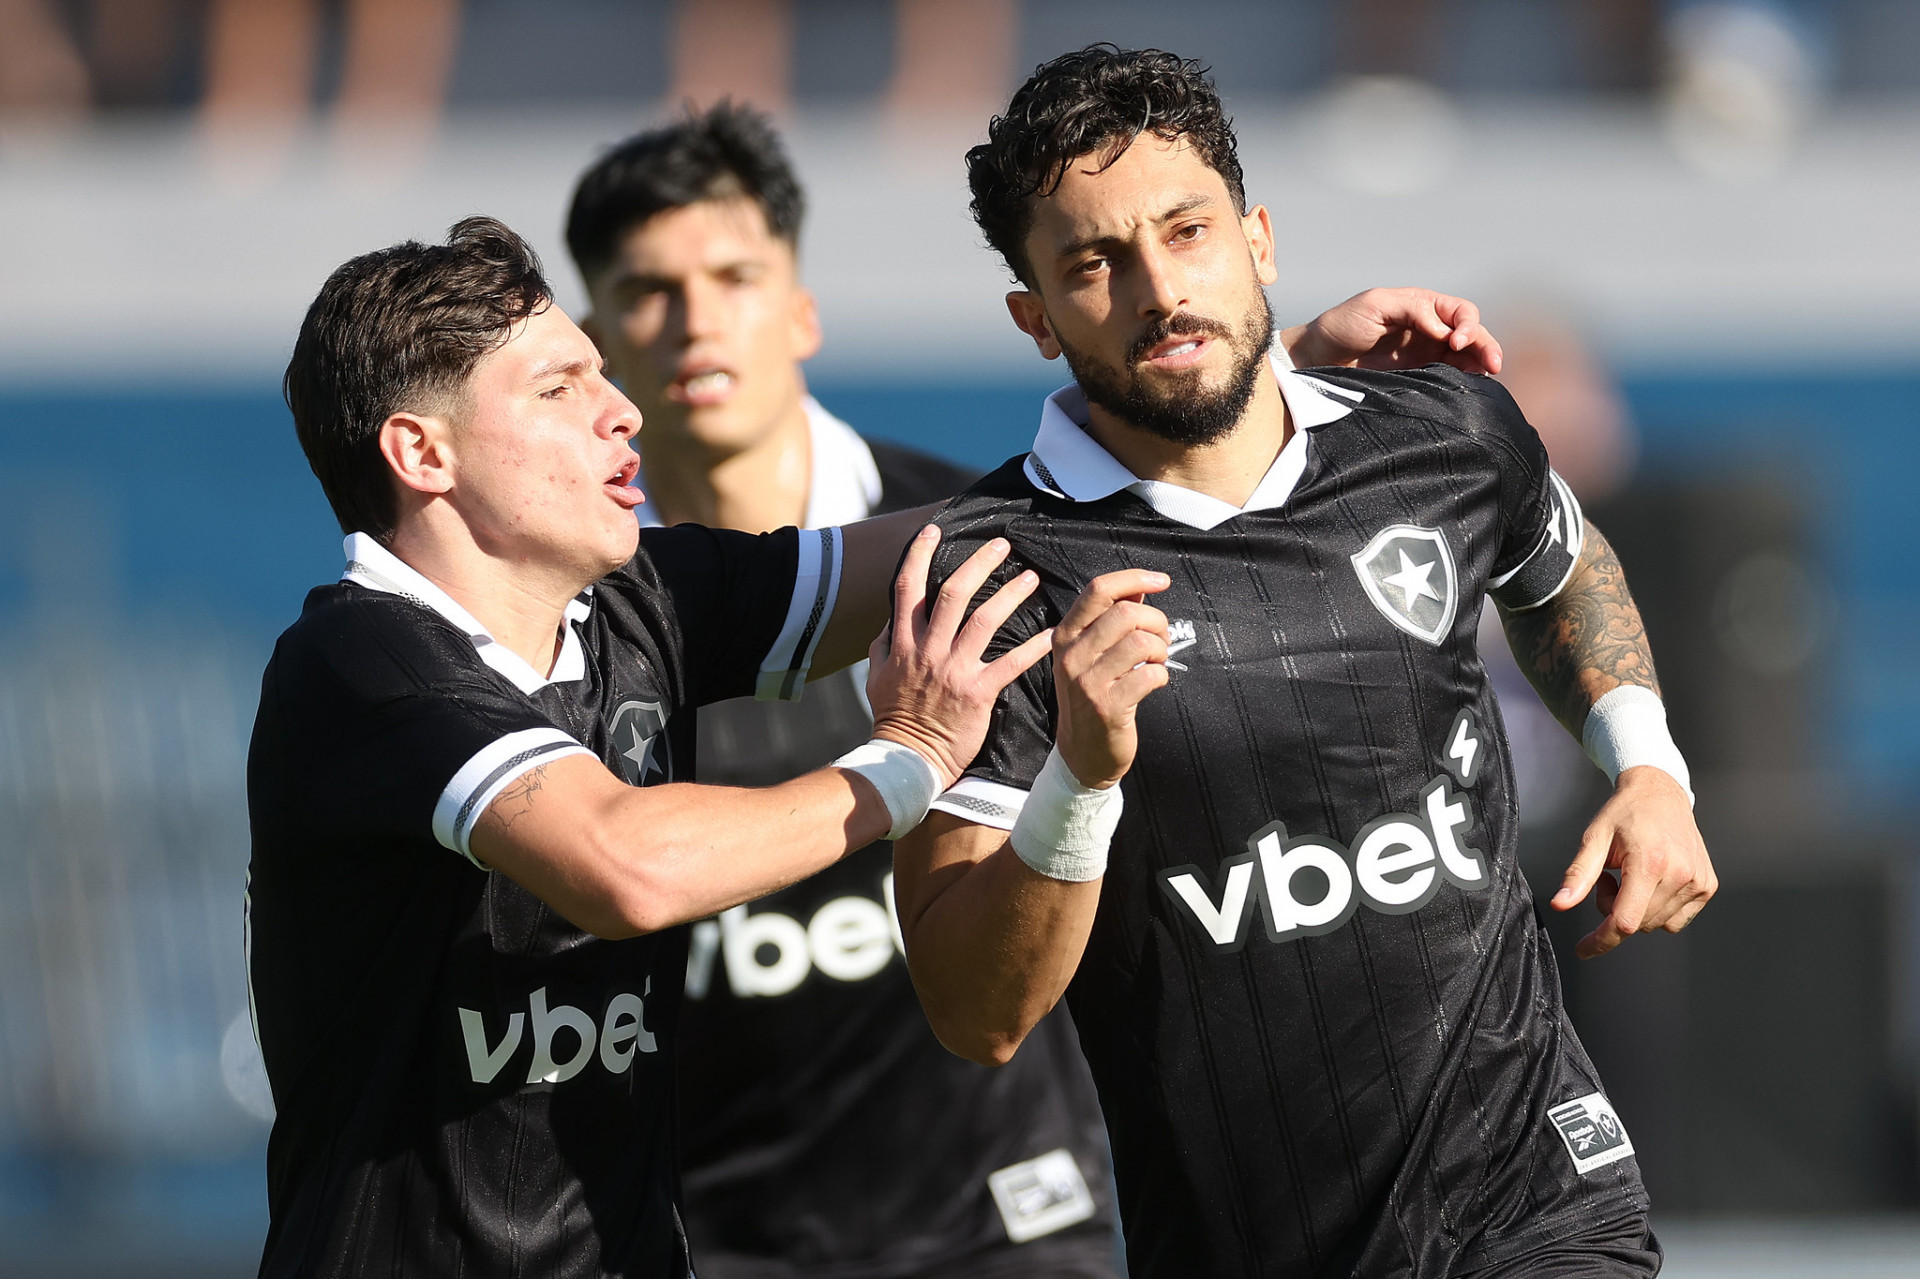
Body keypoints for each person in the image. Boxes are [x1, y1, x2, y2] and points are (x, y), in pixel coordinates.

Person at [562, 102, 1515, 1278]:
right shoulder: (592, 620)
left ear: (803, 307)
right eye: (651, 290)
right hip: (707, 1229)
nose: (698, 321)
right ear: (594, 342)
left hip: (1005, 1218)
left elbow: (1178, 490)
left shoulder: (995, 538)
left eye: (735, 275)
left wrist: (1274, 367)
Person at [893, 46, 1717, 1279]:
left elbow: (1558, 558)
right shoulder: (993, 576)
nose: (1161, 289)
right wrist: (1080, 779)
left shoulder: (1442, 429)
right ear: (1035, 316)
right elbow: (975, 1011)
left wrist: (1648, 766)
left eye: (1189, 231)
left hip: (1537, 1199)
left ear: (1260, 239)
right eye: (1093, 263)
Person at [245, 215, 1047, 1278]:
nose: (622, 411)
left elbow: (978, 538)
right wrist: (908, 758)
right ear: (422, 452)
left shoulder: (639, 599)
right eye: (559, 389)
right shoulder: (357, 661)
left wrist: (1247, 406)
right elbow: (626, 865)